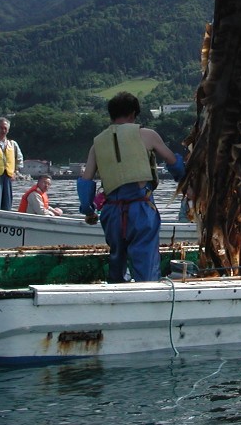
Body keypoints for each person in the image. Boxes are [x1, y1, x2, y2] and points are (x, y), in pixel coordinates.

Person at [79, 92, 185, 283]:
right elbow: (173, 162)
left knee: (117, 262)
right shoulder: (147, 135)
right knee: (146, 263)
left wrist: (88, 210)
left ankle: (118, 296)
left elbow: (86, 182)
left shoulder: (97, 144)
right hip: (141, 208)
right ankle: (148, 300)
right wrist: (185, 183)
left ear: (111, 115)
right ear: (133, 113)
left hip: (111, 212)